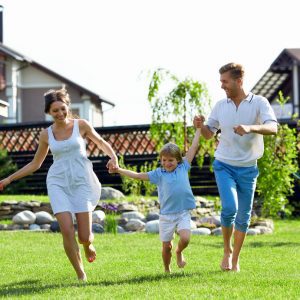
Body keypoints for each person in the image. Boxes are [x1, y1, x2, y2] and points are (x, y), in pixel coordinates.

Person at [0, 88, 118, 282]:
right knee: (66, 229)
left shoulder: (81, 125)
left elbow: (101, 142)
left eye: (63, 109)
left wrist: (113, 157)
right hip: (58, 182)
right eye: (55, 111)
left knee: (85, 237)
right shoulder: (46, 134)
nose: (60, 114)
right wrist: (9, 179)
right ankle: (81, 273)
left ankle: (88, 245)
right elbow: (35, 164)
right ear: (49, 112)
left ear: (67, 107)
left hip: (81, 182)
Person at [194, 63, 278, 272]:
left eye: (225, 81)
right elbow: (208, 133)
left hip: (248, 168)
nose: (222, 86)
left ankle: (236, 258)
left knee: (244, 215)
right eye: (221, 81)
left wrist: (250, 127)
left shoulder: (259, 102)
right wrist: (200, 126)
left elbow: (273, 127)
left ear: (239, 81)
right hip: (224, 164)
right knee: (230, 207)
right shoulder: (221, 106)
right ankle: (226, 251)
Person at [109, 127, 201, 273]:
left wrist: (198, 129)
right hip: (166, 215)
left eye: (171, 160)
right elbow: (138, 175)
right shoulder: (159, 174)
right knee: (166, 246)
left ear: (178, 160)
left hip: (183, 212)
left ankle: (179, 252)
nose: (167, 163)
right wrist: (119, 170)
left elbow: (194, 147)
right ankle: (167, 269)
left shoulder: (183, 167)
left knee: (185, 238)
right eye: (164, 160)